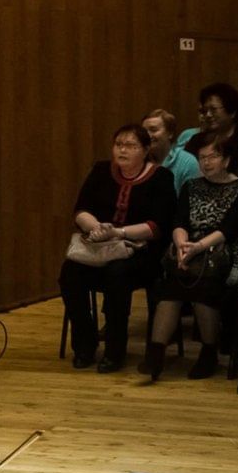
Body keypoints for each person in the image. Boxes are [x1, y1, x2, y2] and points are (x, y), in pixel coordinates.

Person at [60, 123, 175, 373]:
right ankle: (85, 343)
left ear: (145, 150)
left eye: (131, 145)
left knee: (117, 274)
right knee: (70, 273)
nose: (122, 150)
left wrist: (119, 232)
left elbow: (157, 226)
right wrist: (97, 228)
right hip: (100, 245)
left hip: (140, 251)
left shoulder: (161, 177)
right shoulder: (101, 170)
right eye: (119, 144)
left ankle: (114, 350)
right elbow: (81, 210)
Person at [143, 135, 238, 380]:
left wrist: (197, 247)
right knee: (171, 284)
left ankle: (209, 351)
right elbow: (179, 220)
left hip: (226, 250)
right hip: (191, 247)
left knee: (205, 284)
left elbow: (229, 230)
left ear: (226, 160)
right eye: (202, 157)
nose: (206, 162)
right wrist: (182, 244)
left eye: (212, 156)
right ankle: (157, 351)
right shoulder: (191, 186)